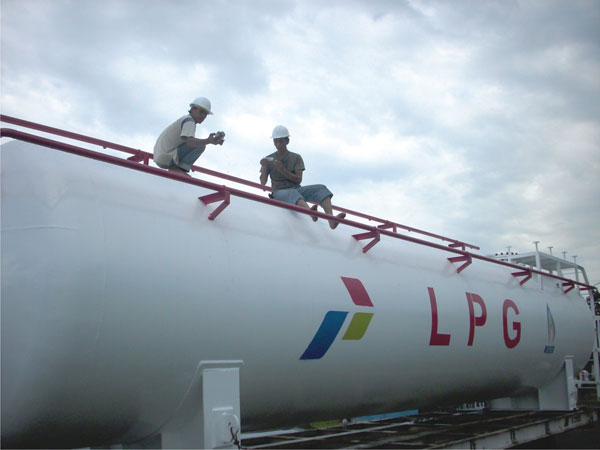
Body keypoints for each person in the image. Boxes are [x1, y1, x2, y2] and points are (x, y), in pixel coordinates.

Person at [260, 125, 346, 229]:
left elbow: (298, 179)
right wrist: (264, 167)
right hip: (278, 193)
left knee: (321, 188)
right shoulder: (269, 159)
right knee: (292, 192)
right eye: (276, 141)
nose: (278, 144)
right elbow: (263, 183)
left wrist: (282, 169)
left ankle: (331, 220)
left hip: (296, 191)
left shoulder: (296, 157)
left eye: (280, 141)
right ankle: (311, 213)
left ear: (287, 141)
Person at [153, 97, 225, 176]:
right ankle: (177, 169)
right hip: (165, 158)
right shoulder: (189, 121)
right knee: (200, 146)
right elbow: (190, 143)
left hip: (161, 156)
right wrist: (208, 141)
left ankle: (177, 168)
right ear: (193, 109)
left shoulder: (186, 119)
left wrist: (211, 140)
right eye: (201, 112)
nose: (203, 116)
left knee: (199, 143)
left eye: (205, 114)